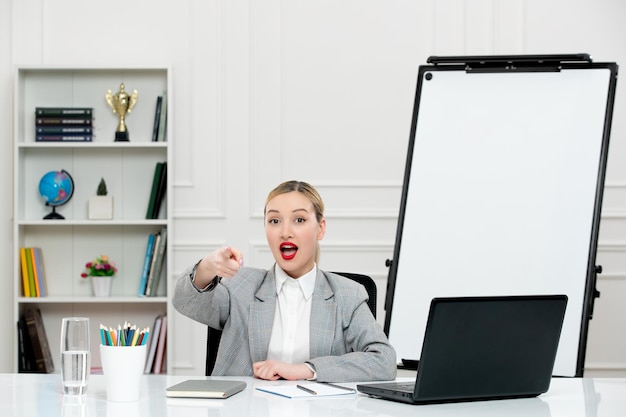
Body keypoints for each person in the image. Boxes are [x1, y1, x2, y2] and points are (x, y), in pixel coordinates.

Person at [173, 180, 397, 382]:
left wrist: (306, 370)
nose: (285, 232)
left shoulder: (348, 295)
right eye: (274, 220)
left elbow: (383, 361)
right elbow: (184, 301)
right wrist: (206, 268)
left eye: (299, 220)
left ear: (320, 229)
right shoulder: (239, 285)